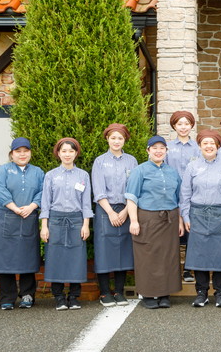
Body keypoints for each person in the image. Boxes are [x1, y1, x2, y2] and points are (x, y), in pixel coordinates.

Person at [125, 135, 184, 309]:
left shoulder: (172, 172)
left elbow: (178, 198)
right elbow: (131, 198)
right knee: (148, 256)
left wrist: (180, 221)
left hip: (170, 219)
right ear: (148, 151)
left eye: (162, 148)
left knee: (168, 256)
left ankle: (165, 293)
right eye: (154, 148)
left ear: (166, 151)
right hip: (148, 218)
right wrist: (133, 221)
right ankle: (149, 294)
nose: (158, 151)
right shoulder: (140, 170)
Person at [181, 129, 221, 308]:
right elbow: (185, 193)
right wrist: (185, 215)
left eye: (212, 143)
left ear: (218, 146)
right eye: (205, 143)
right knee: (199, 255)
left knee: (220, 255)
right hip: (197, 214)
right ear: (200, 146)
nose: (209, 146)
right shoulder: (192, 167)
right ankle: (201, 293)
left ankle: (220, 293)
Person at [0, 137, 44, 310]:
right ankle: (7, 297)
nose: (22, 154)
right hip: (7, 218)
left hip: (29, 218)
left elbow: (44, 191)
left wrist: (32, 206)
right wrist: (15, 208)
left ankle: (27, 295)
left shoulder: (38, 172)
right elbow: (0, 191)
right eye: (18, 151)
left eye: (25, 151)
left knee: (28, 257)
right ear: (11, 154)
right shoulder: (2, 171)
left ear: (30, 153)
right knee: (5, 259)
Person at [40, 138, 93, 311]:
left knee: (76, 259)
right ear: (58, 153)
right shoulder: (51, 175)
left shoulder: (83, 175)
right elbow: (45, 202)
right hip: (55, 220)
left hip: (76, 220)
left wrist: (86, 225)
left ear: (76, 153)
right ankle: (59, 297)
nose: (67, 154)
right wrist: (44, 226)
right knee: (56, 258)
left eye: (71, 151)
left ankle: (74, 296)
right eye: (64, 151)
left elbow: (86, 203)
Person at [91, 123, 139, 307]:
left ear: (124, 140)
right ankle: (105, 292)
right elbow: (98, 190)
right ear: (107, 139)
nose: (116, 141)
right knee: (104, 251)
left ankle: (119, 291)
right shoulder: (100, 161)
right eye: (113, 138)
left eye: (120, 138)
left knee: (124, 250)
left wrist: (127, 210)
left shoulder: (132, 161)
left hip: (127, 208)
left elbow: (134, 188)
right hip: (105, 209)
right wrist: (110, 212)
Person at [166, 110, 201, 282]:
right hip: (170, 195)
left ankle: (188, 269)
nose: (183, 127)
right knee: (172, 234)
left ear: (191, 126)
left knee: (190, 232)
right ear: (174, 126)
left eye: (187, 123)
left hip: (192, 195)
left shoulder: (197, 148)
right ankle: (172, 269)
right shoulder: (167, 148)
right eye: (180, 124)